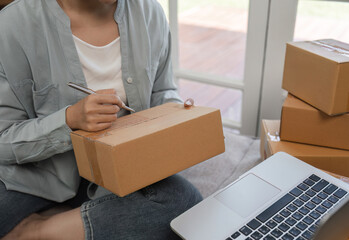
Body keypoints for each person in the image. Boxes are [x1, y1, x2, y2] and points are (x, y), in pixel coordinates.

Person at [0, 0, 202, 239]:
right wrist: (69, 120)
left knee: (184, 200)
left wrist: (175, 111)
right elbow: (4, 141)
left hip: (115, 172)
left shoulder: (150, 13)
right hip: (34, 178)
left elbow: (163, 90)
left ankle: (35, 231)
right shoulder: (13, 25)